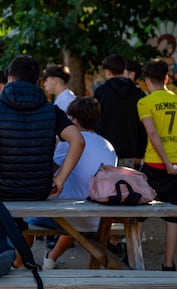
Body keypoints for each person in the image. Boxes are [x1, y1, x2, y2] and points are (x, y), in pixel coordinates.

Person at [0, 55, 84, 200]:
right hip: (41, 190)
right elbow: (78, 141)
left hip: (1, 189)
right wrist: (60, 178)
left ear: (10, 79)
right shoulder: (52, 111)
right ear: (37, 81)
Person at [27, 97, 117, 269]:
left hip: (70, 215)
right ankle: (51, 258)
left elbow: (47, 168)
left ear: (74, 120)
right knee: (75, 211)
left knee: (27, 221)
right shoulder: (108, 145)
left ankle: (19, 263)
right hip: (99, 217)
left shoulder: (68, 143)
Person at [137, 59, 177, 271]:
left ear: (146, 81)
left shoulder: (145, 102)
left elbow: (152, 134)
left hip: (153, 166)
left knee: (138, 215)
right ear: (166, 79)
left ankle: (137, 263)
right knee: (173, 220)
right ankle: (168, 264)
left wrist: (165, 163)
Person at [94, 54, 147, 168]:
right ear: (123, 70)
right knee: (126, 183)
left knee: (105, 183)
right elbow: (142, 124)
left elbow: (94, 120)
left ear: (107, 72)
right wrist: (140, 152)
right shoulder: (138, 93)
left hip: (105, 148)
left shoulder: (101, 92)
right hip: (130, 149)